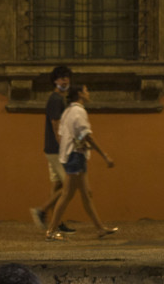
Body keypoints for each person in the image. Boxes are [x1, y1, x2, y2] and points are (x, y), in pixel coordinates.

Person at [45, 84, 117, 241]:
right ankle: (51, 231)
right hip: (76, 157)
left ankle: (100, 228)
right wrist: (104, 155)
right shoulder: (79, 111)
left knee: (86, 194)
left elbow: (65, 133)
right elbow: (87, 136)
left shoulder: (69, 111)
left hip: (73, 156)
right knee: (66, 195)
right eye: (86, 90)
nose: (88, 93)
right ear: (80, 94)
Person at [30, 65, 75, 234]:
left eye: (66, 77)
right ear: (55, 81)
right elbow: (55, 123)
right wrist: (63, 145)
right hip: (56, 150)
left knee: (57, 186)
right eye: (61, 78)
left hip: (52, 148)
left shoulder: (59, 98)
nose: (65, 80)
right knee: (69, 185)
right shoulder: (56, 99)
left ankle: (57, 221)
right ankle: (41, 210)